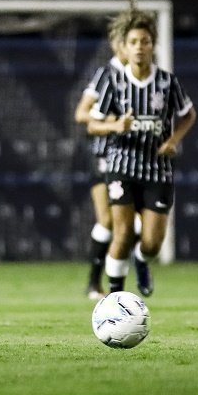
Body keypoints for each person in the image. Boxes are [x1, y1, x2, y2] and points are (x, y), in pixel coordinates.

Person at [87, 0, 196, 297]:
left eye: (144, 41)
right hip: (121, 166)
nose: (138, 46)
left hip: (158, 169)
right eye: (133, 41)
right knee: (120, 232)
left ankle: (141, 260)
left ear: (153, 45)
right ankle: (116, 298)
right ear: (125, 45)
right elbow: (92, 123)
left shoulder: (167, 82)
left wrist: (173, 140)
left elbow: (189, 114)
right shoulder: (114, 82)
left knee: (151, 243)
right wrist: (114, 126)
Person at [74, 15, 136, 300]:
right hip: (104, 155)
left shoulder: (145, 77)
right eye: (128, 42)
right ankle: (94, 283)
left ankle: (132, 270)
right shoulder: (106, 75)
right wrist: (111, 121)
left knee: (135, 224)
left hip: (136, 158)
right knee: (108, 221)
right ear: (116, 45)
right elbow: (81, 114)